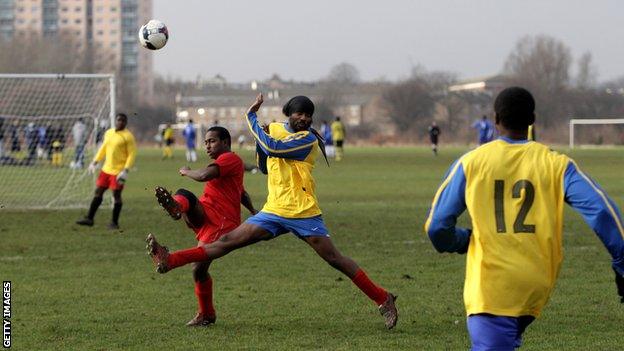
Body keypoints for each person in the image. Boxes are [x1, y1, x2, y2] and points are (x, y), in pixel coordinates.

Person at [146, 94, 398, 329]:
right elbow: (265, 164)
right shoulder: (276, 129)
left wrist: (252, 119)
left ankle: (384, 298)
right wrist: (261, 141)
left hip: (302, 211)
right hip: (274, 209)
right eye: (300, 114)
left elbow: (276, 148)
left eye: (309, 115)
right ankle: (170, 259)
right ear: (289, 113)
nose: (305, 118)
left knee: (335, 260)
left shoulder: (309, 138)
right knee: (225, 242)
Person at [424, 87, 624, 350]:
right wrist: (621, 261)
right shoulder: (557, 164)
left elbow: (437, 227)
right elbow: (600, 210)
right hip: (536, 284)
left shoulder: (471, 162)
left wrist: (462, 240)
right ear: (532, 120)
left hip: (493, 288)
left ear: (495, 120)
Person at [153, 126, 257, 326]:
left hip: (221, 222)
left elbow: (202, 176)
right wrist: (254, 211)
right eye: (206, 142)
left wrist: (186, 171)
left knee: (198, 268)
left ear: (226, 142)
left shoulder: (230, 159)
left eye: (212, 141)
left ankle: (205, 313)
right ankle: (176, 208)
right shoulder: (227, 163)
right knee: (186, 196)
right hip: (206, 214)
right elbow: (241, 193)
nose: (208, 145)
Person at [76, 113, 136, 230]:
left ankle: (114, 222)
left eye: (123, 121)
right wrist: (95, 161)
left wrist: (126, 170)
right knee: (98, 192)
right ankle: (89, 218)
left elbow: (131, 154)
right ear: (116, 121)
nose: (121, 123)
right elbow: (103, 148)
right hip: (106, 170)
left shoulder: (128, 137)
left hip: (118, 171)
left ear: (126, 123)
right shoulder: (109, 133)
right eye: (119, 120)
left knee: (116, 195)